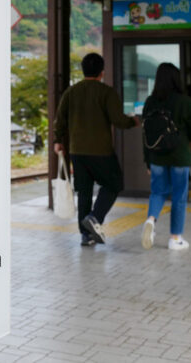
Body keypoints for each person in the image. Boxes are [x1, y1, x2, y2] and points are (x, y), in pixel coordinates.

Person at [53, 53, 139, 247]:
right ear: (102, 72)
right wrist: (132, 122)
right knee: (114, 183)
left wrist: (58, 140)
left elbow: (60, 118)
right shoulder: (106, 92)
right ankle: (95, 217)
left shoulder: (71, 92)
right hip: (100, 151)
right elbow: (118, 120)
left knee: (84, 192)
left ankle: (86, 235)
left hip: (77, 151)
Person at [141, 63, 191, 251]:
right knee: (179, 197)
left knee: (158, 192)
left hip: (156, 157)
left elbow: (145, 134)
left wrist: (147, 159)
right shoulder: (184, 102)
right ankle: (175, 238)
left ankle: (151, 220)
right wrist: (185, 139)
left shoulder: (150, 102)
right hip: (179, 157)